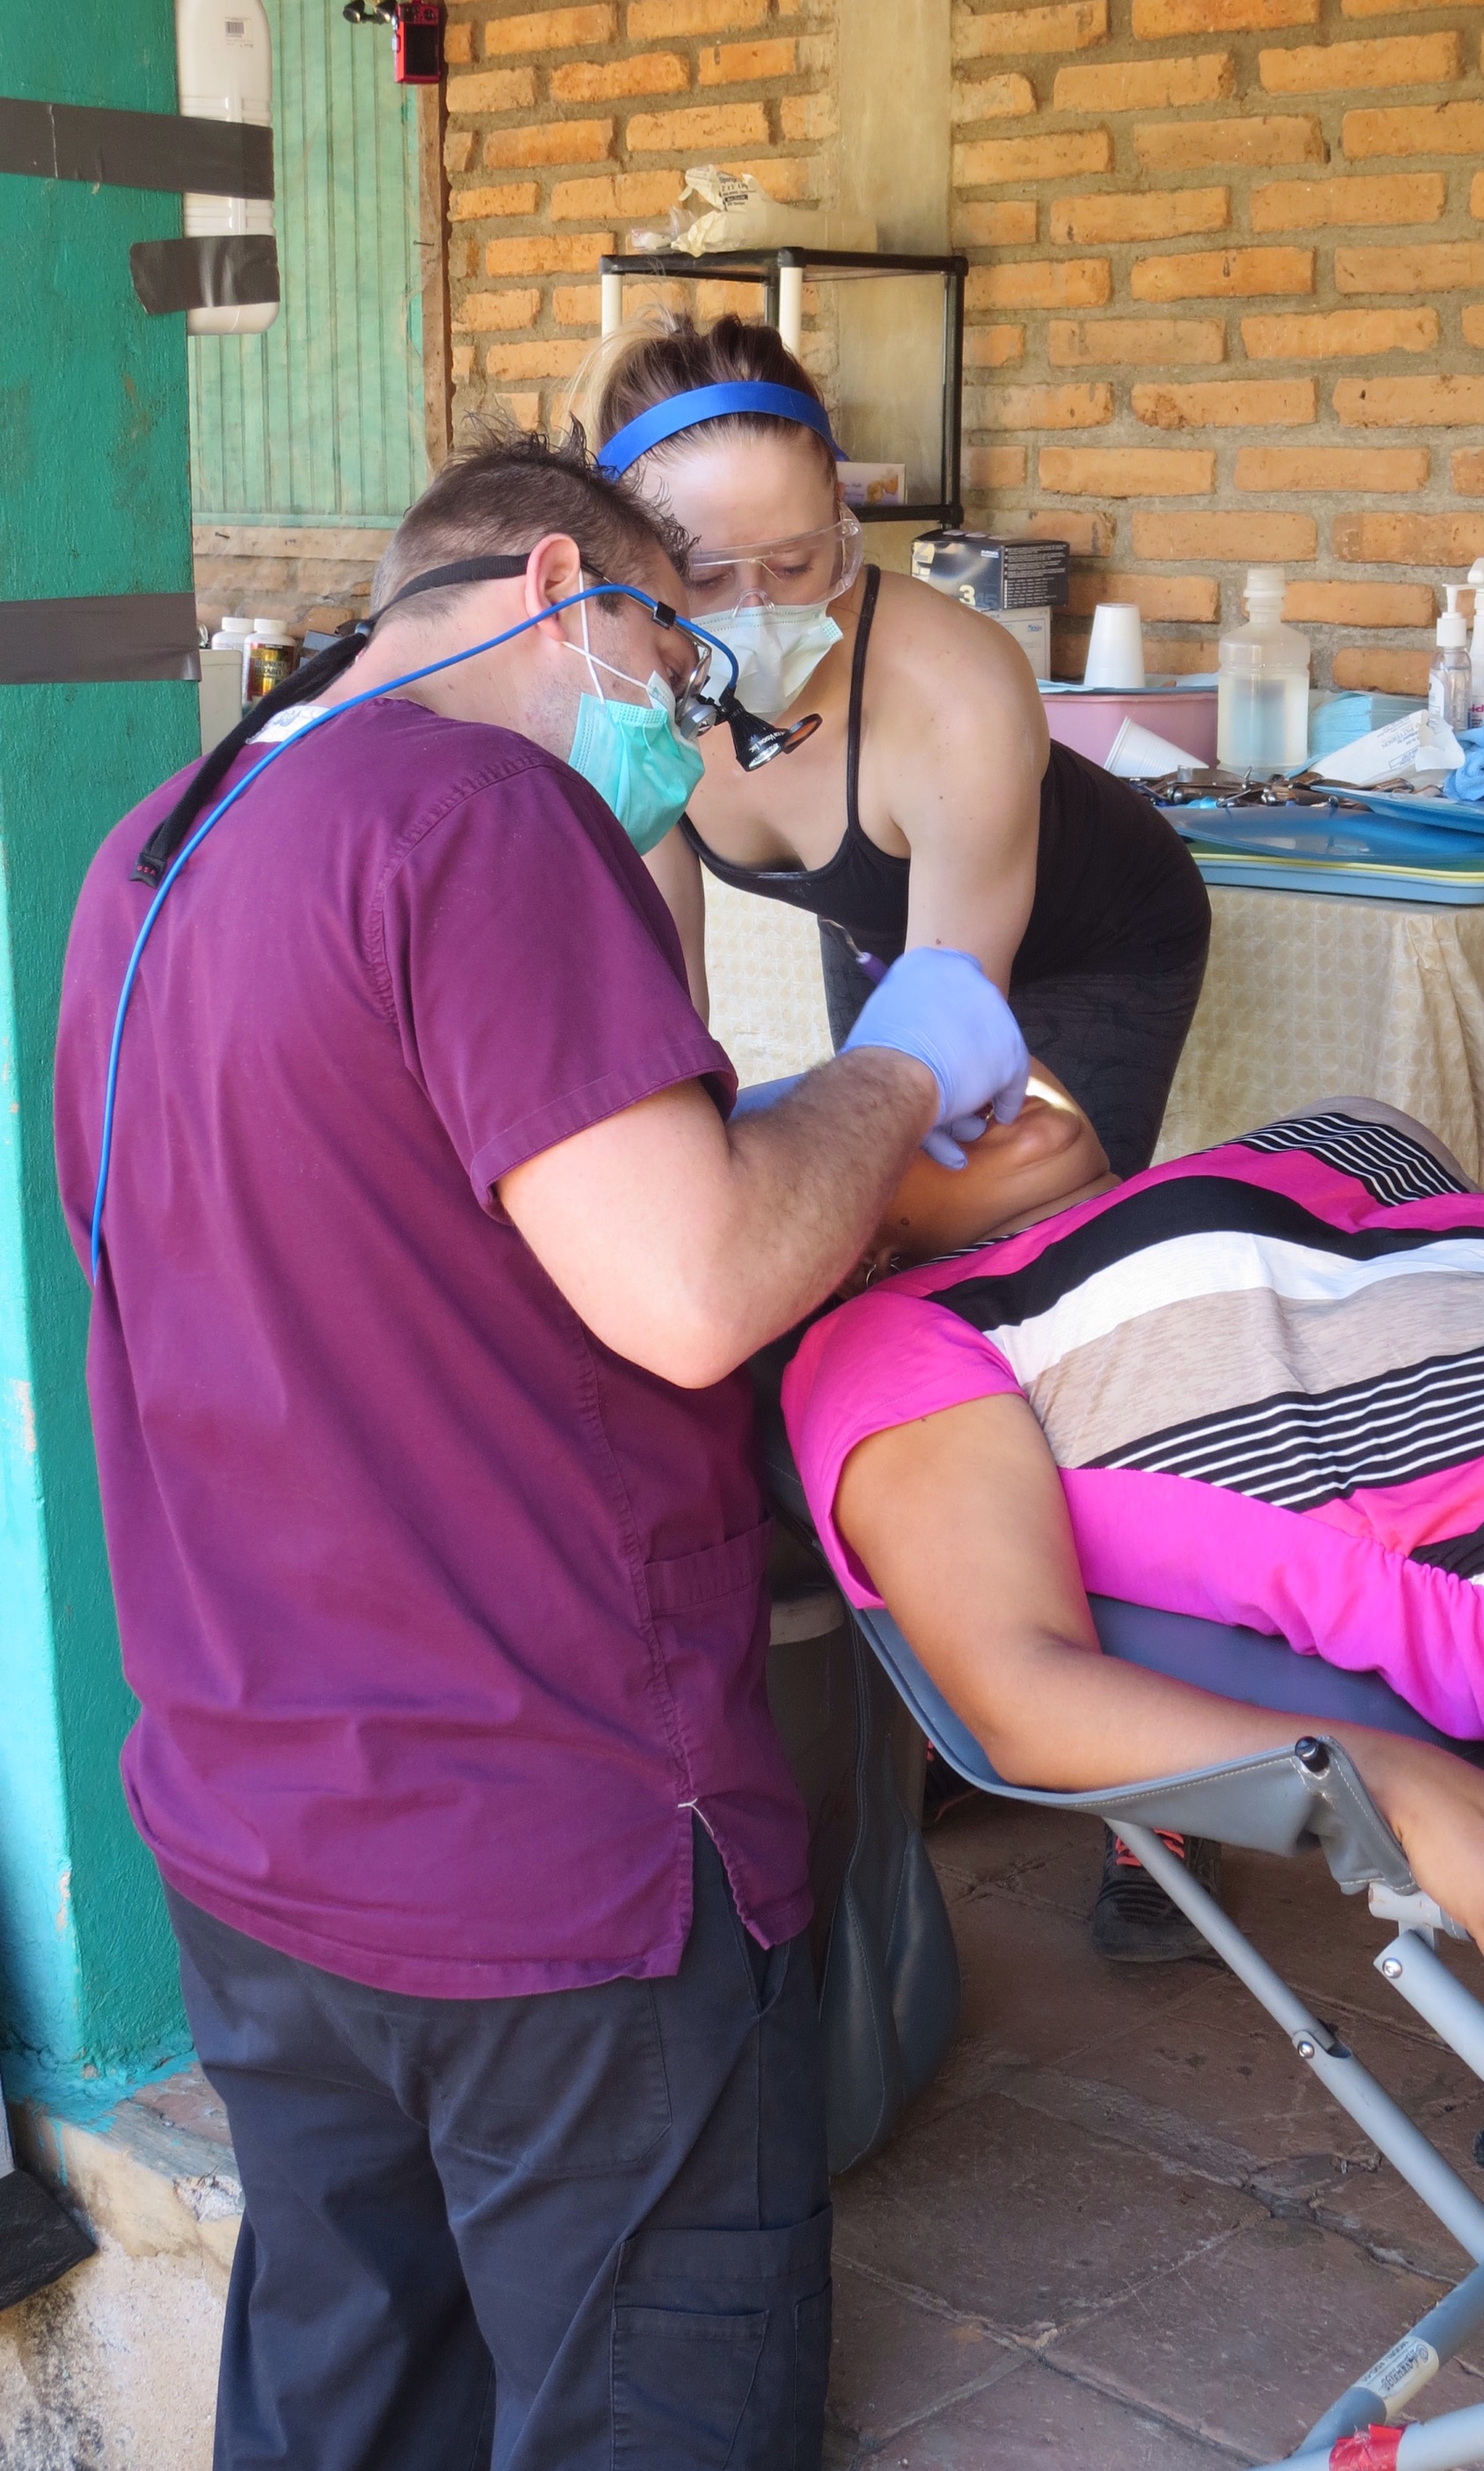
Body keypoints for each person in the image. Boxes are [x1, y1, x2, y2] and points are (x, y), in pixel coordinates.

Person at [53, 430, 1032, 2471]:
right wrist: (892, 1071)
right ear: (557, 597)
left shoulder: (156, 847)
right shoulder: (480, 807)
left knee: (351, 2397)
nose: (677, 738)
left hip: (257, 1833)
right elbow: (691, 1284)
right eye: (674, 670)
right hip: (553, 1861)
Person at [586, 313, 1216, 1951]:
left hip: (1073, 957)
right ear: (633, 572)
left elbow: (954, 1051)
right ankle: (936, 1682)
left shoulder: (951, 685)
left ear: (851, 523)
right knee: (816, 1275)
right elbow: (663, 1019)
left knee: (1014, 1300)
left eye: (802, 562)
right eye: (707, 576)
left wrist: (813, 1222)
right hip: (890, 943)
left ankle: (1160, 1787)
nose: (760, 607)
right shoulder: (632, 692)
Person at [779, 1092, 1484, 1954]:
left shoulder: (1328, 1133)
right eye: (906, 1104)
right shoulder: (897, 1331)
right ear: (860, 1247)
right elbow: (1020, 1693)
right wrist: (1397, 1783)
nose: (972, 1089)